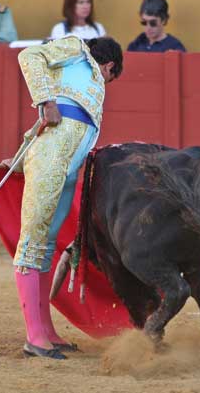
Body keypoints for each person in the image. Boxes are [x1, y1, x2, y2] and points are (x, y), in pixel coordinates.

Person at [11, 36, 123, 359]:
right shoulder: (77, 49)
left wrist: (18, 158)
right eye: (111, 79)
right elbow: (29, 55)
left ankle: (45, 331)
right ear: (109, 67)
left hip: (67, 167)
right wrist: (45, 100)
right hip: (51, 160)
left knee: (45, 244)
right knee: (33, 242)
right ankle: (34, 336)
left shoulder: (87, 86)